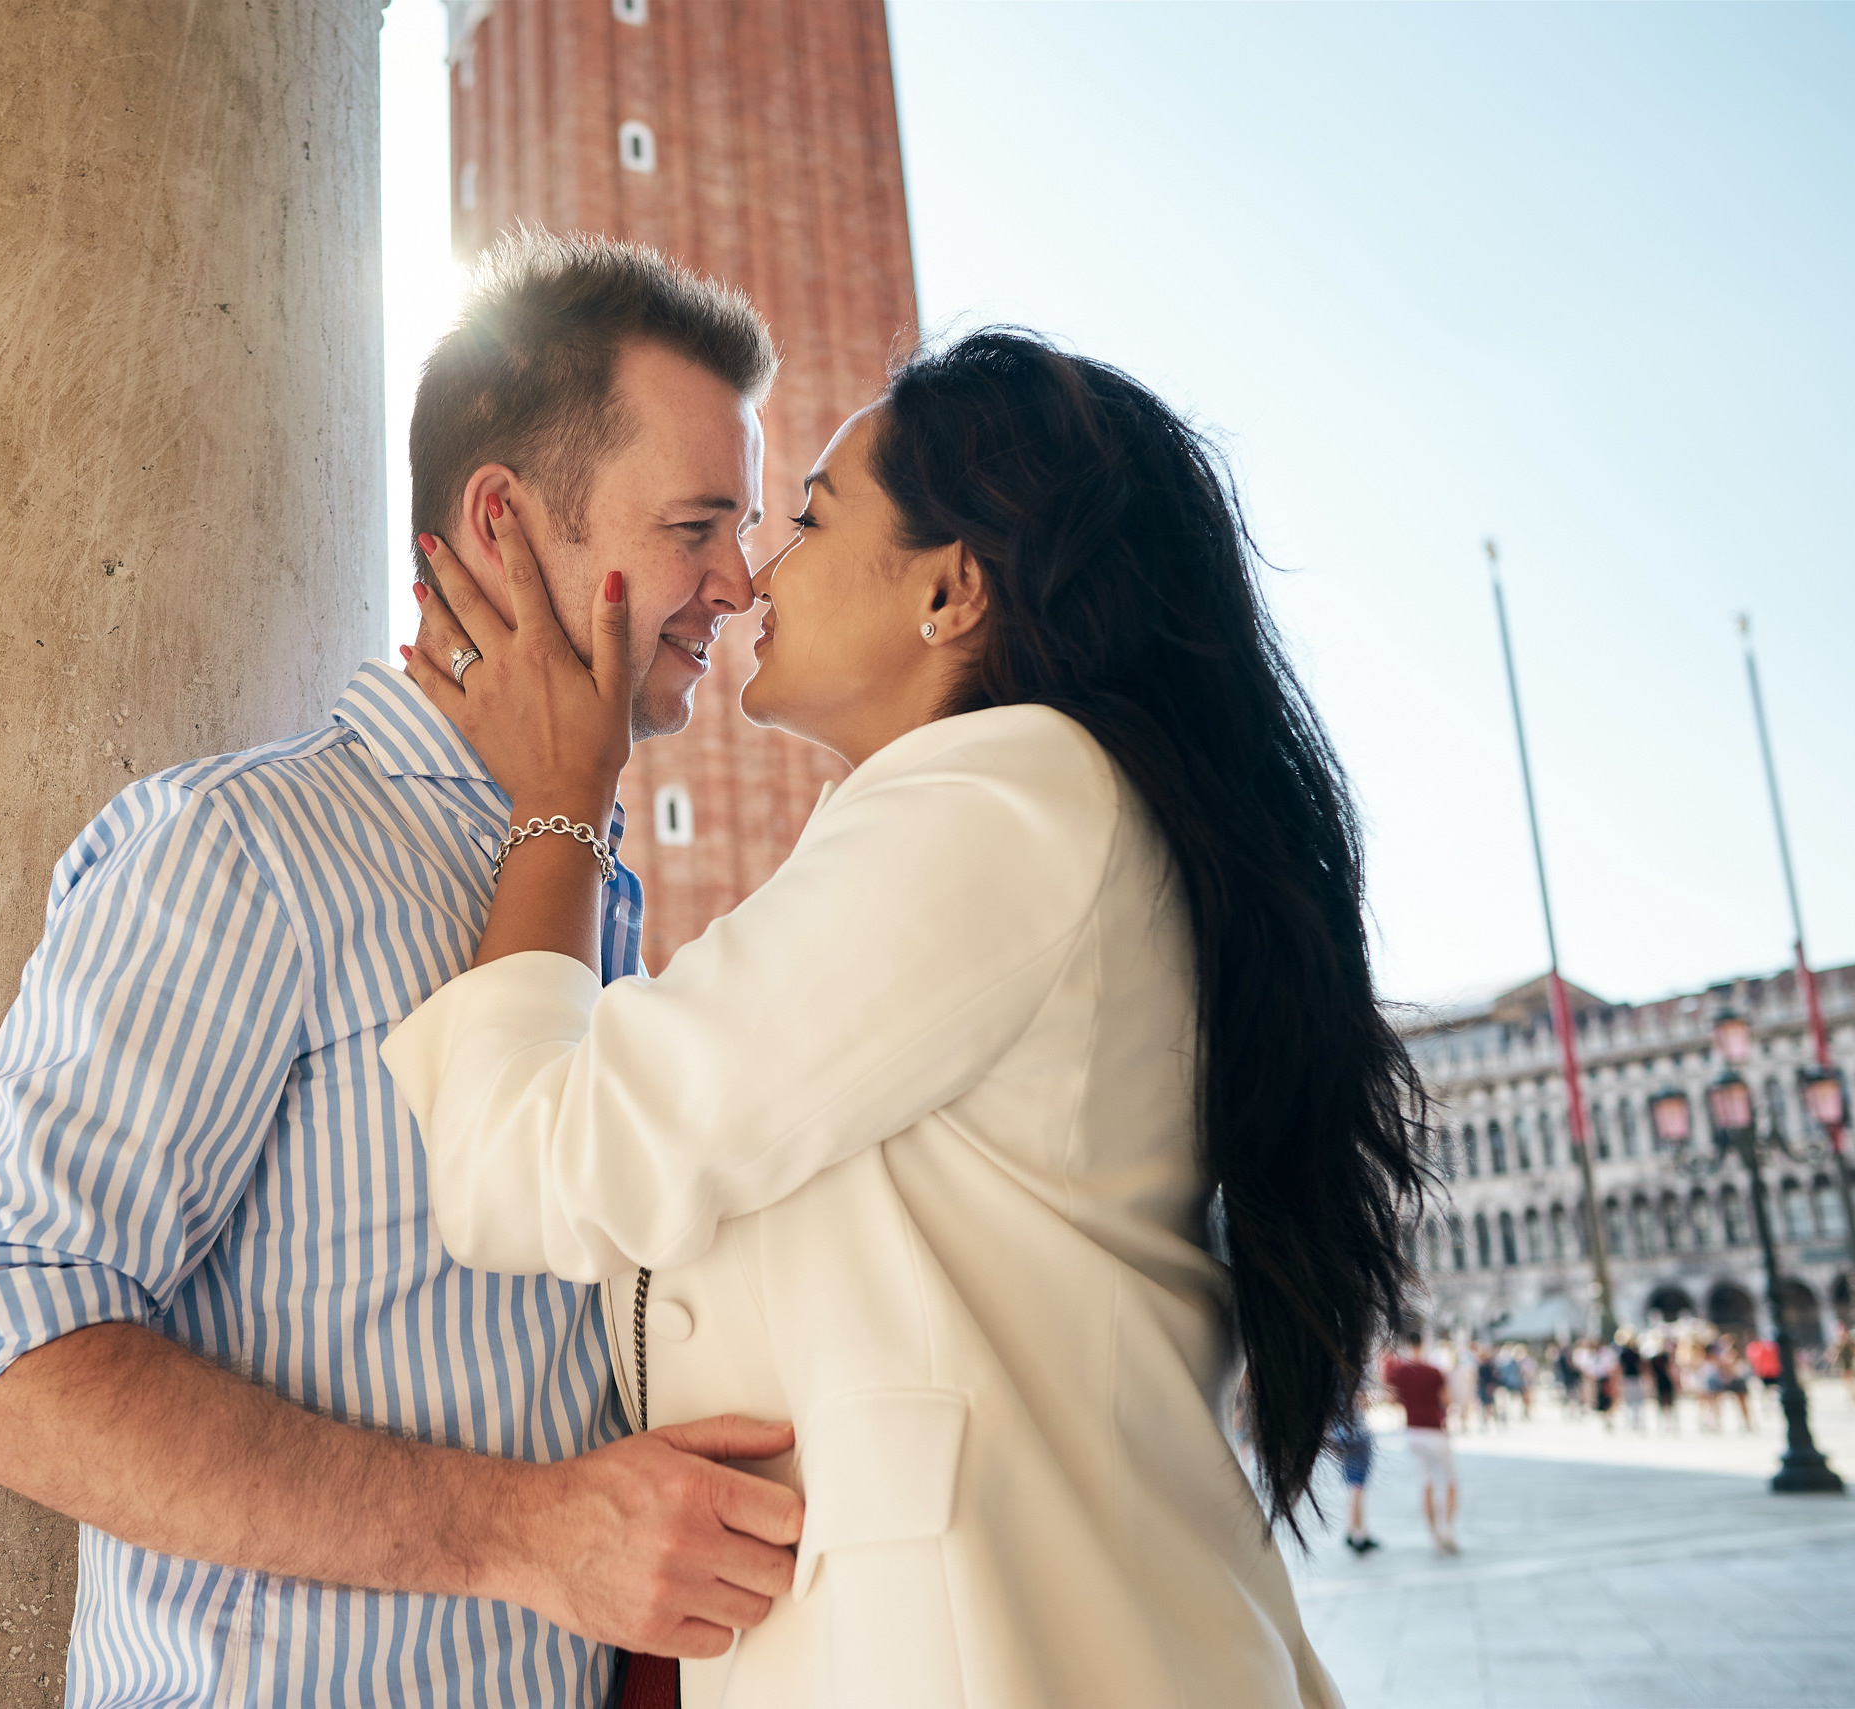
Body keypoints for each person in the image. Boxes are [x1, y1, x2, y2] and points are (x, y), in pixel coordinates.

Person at [384, 329, 1427, 1704]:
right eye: (717, 529)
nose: (754, 576)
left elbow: (526, 1163)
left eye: (808, 520)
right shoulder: (1008, 810)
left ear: (950, 587)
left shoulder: (1004, 802)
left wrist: (559, 805)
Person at [0, 231, 808, 1706]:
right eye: (698, 525)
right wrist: (530, 1534)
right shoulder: (244, 849)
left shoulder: (596, 900)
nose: (742, 583)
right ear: (502, 522)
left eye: (746, 528)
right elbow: (5, 1361)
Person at [1382, 1339, 1459, 1556]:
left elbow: (1390, 1398)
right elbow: (1447, 1400)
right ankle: (1447, 1529)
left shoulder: (1399, 1371)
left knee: (1427, 1482)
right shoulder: (1434, 1371)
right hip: (1435, 1430)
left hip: (1413, 1431)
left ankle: (1434, 1534)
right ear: (1422, 1345)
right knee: (1450, 1481)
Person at [1334, 1391, 1381, 1555]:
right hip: (1356, 1435)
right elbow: (1362, 1402)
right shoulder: (1353, 1379)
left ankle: (1361, 1531)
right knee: (1357, 1485)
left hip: (1338, 1435)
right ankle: (1353, 1532)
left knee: (1353, 1484)